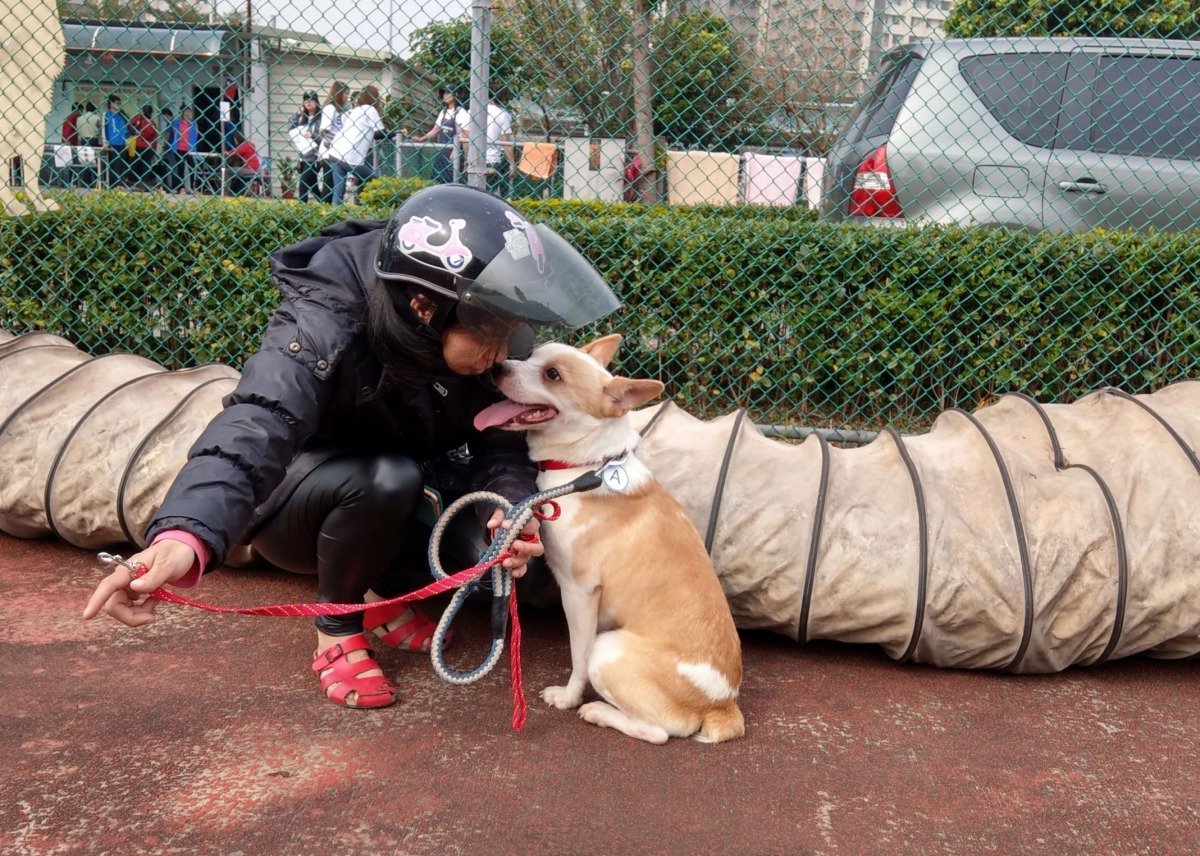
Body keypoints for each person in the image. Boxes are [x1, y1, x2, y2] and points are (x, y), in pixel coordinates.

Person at [83, 184, 622, 710]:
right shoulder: (324, 317)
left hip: (411, 481)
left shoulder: (476, 316)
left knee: (487, 555)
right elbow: (261, 419)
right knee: (386, 476)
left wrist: (508, 511)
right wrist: (184, 534)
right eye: (491, 338)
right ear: (423, 308)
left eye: (514, 332)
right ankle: (337, 628)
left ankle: (379, 593)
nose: (504, 355)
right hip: (303, 500)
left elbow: (498, 448)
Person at [324, 85, 385, 206]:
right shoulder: (370, 109)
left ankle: (334, 216)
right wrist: (396, 132)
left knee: (338, 191)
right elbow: (380, 133)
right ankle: (368, 206)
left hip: (335, 152)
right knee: (375, 181)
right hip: (351, 157)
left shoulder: (357, 110)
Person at [414, 85, 469, 184]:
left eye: (448, 93)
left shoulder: (461, 112)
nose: (445, 95)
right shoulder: (443, 112)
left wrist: (455, 150)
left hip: (454, 153)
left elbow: (462, 134)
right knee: (437, 180)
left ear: (455, 95)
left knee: (453, 181)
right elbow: (435, 129)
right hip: (441, 152)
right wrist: (422, 139)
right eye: (444, 93)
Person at [315, 81, 350, 202]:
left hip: (337, 152)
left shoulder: (339, 111)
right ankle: (325, 210)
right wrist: (336, 142)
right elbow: (325, 130)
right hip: (328, 152)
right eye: (346, 93)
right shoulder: (330, 108)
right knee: (329, 183)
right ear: (339, 93)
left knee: (336, 184)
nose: (347, 97)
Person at [287, 90, 322, 202]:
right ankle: (325, 204)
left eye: (311, 99)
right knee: (313, 187)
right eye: (306, 99)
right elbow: (291, 129)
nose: (308, 102)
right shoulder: (302, 117)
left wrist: (313, 135)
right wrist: (298, 115)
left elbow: (325, 138)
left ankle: (301, 209)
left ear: (316, 101)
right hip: (303, 156)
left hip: (316, 156)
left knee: (303, 185)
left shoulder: (321, 118)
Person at [480, 86, 515, 197]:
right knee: (495, 196)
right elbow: (506, 142)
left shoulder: (476, 110)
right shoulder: (503, 114)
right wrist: (512, 164)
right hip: (495, 160)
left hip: (476, 158)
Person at [162, 106, 197, 193]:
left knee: (192, 167)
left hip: (189, 148)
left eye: (189, 112)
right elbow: (170, 133)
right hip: (179, 148)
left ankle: (193, 187)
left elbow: (196, 134)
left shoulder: (193, 123)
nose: (188, 114)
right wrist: (165, 145)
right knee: (180, 168)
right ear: (182, 113)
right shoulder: (176, 123)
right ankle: (181, 187)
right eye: (186, 112)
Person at [128, 104, 159, 189]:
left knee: (135, 164)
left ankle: (133, 182)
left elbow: (130, 125)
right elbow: (155, 137)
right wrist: (154, 149)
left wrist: (133, 132)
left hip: (138, 144)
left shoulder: (139, 119)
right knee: (146, 165)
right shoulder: (152, 123)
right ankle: (144, 183)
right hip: (148, 146)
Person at [102, 95, 129, 187]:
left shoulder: (121, 116)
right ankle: (113, 184)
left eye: (119, 103)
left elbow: (125, 130)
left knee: (121, 164)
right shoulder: (106, 114)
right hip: (112, 143)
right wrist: (104, 141)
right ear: (111, 103)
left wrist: (126, 140)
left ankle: (120, 183)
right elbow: (103, 128)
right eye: (117, 103)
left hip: (121, 143)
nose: (118, 105)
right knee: (113, 165)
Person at [224, 130, 262, 196]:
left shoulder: (245, 146)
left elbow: (235, 152)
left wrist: (227, 152)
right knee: (235, 169)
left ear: (237, 139)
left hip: (249, 169)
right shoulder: (249, 145)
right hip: (255, 169)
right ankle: (235, 191)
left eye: (234, 139)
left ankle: (226, 192)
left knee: (227, 171)